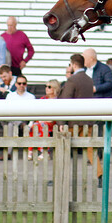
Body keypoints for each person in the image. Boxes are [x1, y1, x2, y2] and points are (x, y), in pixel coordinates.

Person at [58, 54, 102, 183]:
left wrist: (61, 122)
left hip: (73, 122)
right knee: (91, 150)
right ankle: (100, 175)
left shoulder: (72, 80)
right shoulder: (89, 79)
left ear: (73, 64)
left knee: (62, 148)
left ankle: (59, 177)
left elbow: (65, 101)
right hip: (87, 120)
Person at [29, 79, 60, 160]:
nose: (47, 88)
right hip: (41, 120)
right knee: (34, 126)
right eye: (46, 86)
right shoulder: (43, 99)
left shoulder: (57, 100)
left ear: (55, 88)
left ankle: (45, 152)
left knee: (43, 126)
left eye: (49, 87)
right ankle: (30, 150)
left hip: (52, 122)